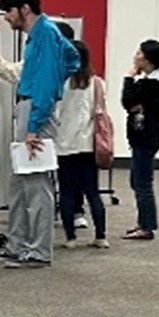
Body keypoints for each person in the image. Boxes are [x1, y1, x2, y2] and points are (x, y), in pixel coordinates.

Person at [0, 0, 79, 269]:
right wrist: (57, 79)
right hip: (30, 107)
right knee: (20, 182)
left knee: (36, 183)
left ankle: (39, 250)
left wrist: (33, 126)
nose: (7, 18)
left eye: (8, 11)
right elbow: (73, 58)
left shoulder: (44, 34)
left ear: (24, 9)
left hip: (36, 111)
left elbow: (45, 85)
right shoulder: (45, 33)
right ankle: (17, 244)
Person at [121, 39, 159, 241]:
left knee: (142, 181)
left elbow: (127, 101)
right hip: (146, 136)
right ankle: (143, 222)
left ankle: (146, 226)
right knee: (137, 180)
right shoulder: (155, 81)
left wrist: (129, 78)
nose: (135, 55)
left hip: (146, 136)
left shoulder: (154, 82)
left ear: (147, 58)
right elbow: (132, 104)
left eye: (139, 53)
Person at [54, 40, 109, 251]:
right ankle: (101, 236)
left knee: (67, 192)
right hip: (88, 144)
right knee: (92, 191)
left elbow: (55, 111)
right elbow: (101, 111)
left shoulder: (60, 82)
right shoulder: (97, 83)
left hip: (64, 143)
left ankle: (70, 238)